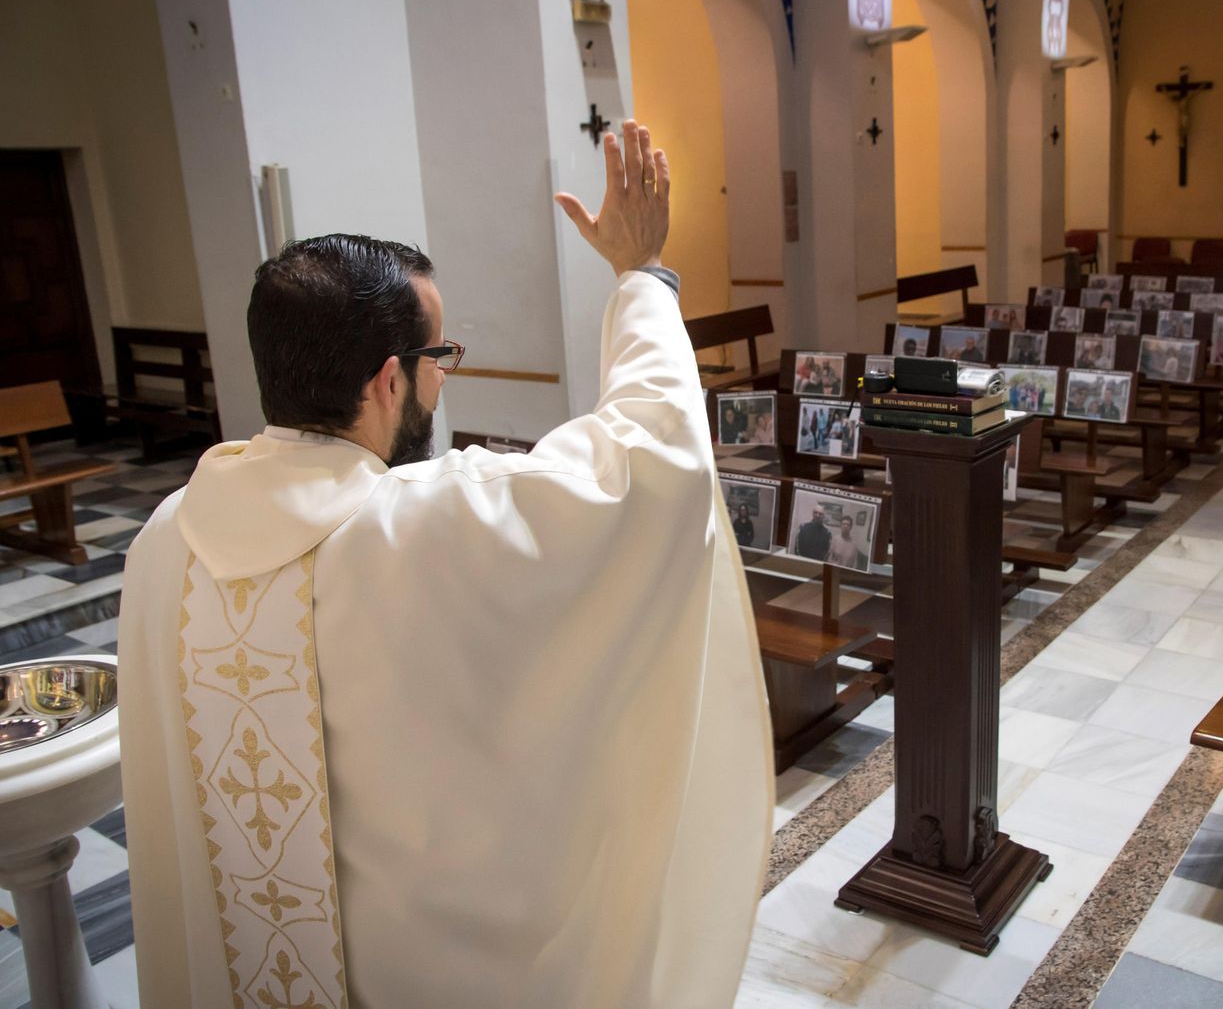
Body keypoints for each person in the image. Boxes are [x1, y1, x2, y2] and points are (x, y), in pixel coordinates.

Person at [116, 122, 772, 1007]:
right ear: (390, 381)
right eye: (438, 358)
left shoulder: (165, 538)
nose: (441, 379)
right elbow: (656, 460)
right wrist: (641, 275)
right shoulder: (431, 523)